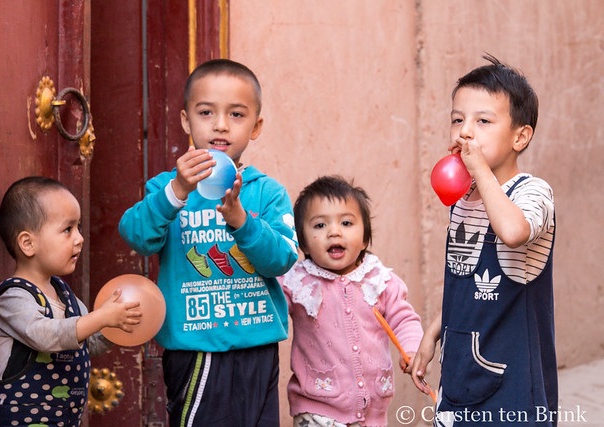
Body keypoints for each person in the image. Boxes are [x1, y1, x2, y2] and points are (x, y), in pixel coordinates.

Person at [118, 58, 298, 426]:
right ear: (186, 120)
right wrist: (177, 191)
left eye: (236, 114)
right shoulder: (167, 188)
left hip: (258, 348)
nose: (220, 125)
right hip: (197, 351)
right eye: (205, 112)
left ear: (256, 126)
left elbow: (281, 259)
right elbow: (137, 236)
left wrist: (241, 222)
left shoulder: (266, 193)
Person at [411, 55, 557, 426]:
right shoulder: (463, 200)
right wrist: (432, 335)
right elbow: (463, 281)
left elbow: (513, 232)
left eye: (483, 121)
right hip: (461, 373)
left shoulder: (532, 192)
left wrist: (478, 169)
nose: (465, 132)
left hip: (512, 383)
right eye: (458, 120)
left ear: (520, 137)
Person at [0, 176, 142, 427]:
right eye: (68, 229)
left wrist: (116, 326)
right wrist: (100, 317)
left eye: (78, 228)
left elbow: (86, 342)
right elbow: (46, 335)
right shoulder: (14, 298)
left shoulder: (65, 295)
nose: (79, 238)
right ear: (28, 243)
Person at [279, 175, 424, 427]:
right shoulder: (297, 282)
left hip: (373, 410)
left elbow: (404, 318)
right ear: (303, 243)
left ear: (365, 238)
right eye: (320, 226)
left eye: (346, 223)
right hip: (316, 410)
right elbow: (270, 304)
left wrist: (411, 349)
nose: (334, 231)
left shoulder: (379, 279)